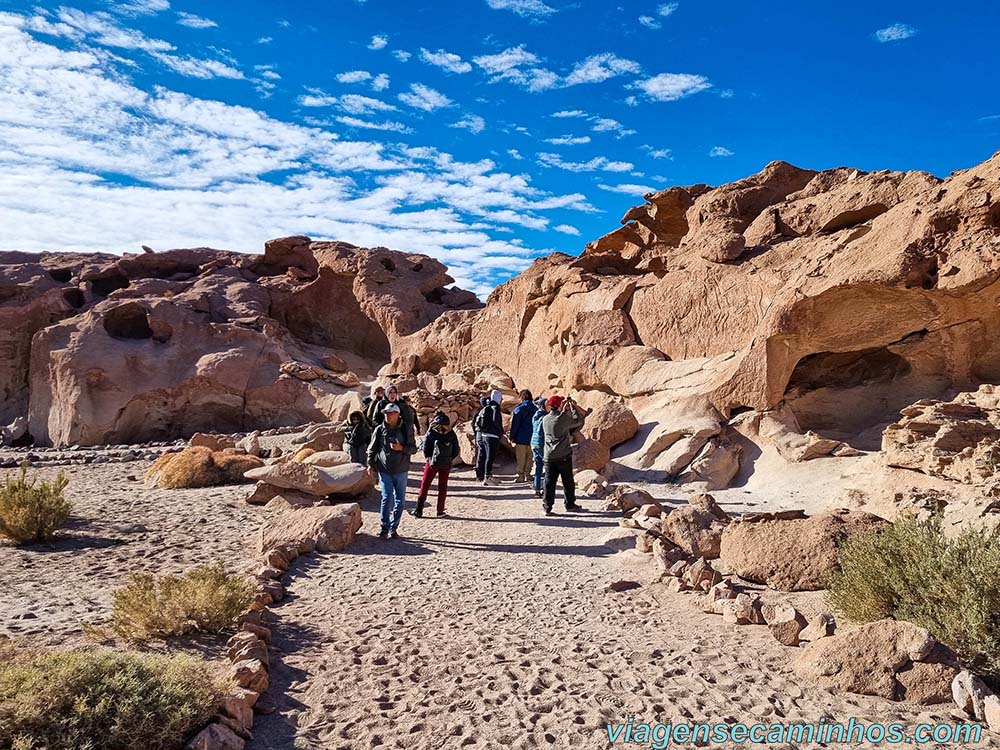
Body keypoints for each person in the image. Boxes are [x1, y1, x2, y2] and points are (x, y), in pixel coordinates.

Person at [366, 403, 417, 538]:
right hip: (384, 469)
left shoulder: (406, 429)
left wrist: (401, 448)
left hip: (401, 469)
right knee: (386, 497)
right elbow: (372, 448)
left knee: (400, 500)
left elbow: (414, 449)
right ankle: (384, 527)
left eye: (390, 413)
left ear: (397, 414)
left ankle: (394, 528)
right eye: (386, 413)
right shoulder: (379, 429)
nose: (387, 415)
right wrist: (370, 464)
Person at [541, 395, 585, 516]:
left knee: (549, 482)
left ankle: (547, 506)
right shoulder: (562, 418)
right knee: (568, 481)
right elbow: (578, 420)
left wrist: (563, 409)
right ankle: (570, 504)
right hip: (563, 455)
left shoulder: (545, 419)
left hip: (549, 456)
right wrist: (572, 406)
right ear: (559, 405)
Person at [410, 413, 460, 518]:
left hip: (432, 463)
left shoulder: (431, 432)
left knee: (425, 485)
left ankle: (418, 510)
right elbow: (456, 450)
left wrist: (429, 458)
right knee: (443, 487)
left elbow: (426, 448)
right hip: (446, 464)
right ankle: (440, 511)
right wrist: (449, 459)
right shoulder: (451, 433)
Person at [474, 390, 504, 486]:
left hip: (484, 435)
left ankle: (484, 476)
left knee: (485, 456)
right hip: (492, 436)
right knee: (490, 457)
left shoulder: (487, 407)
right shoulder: (495, 408)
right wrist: (500, 432)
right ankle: (488, 477)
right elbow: (496, 422)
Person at [509, 389, 538, 484]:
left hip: (521, 438)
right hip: (533, 437)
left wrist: (512, 436)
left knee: (521, 458)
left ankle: (520, 476)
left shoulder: (519, 409)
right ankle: (528, 475)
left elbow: (515, 424)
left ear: (521, 397)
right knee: (530, 457)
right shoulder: (536, 409)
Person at [530, 396, 548, 498]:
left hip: (534, 443)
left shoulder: (535, 416)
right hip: (541, 444)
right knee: (547, 467)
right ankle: (546, 490)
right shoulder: (544, 417)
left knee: (538, 467)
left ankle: (537, 489)